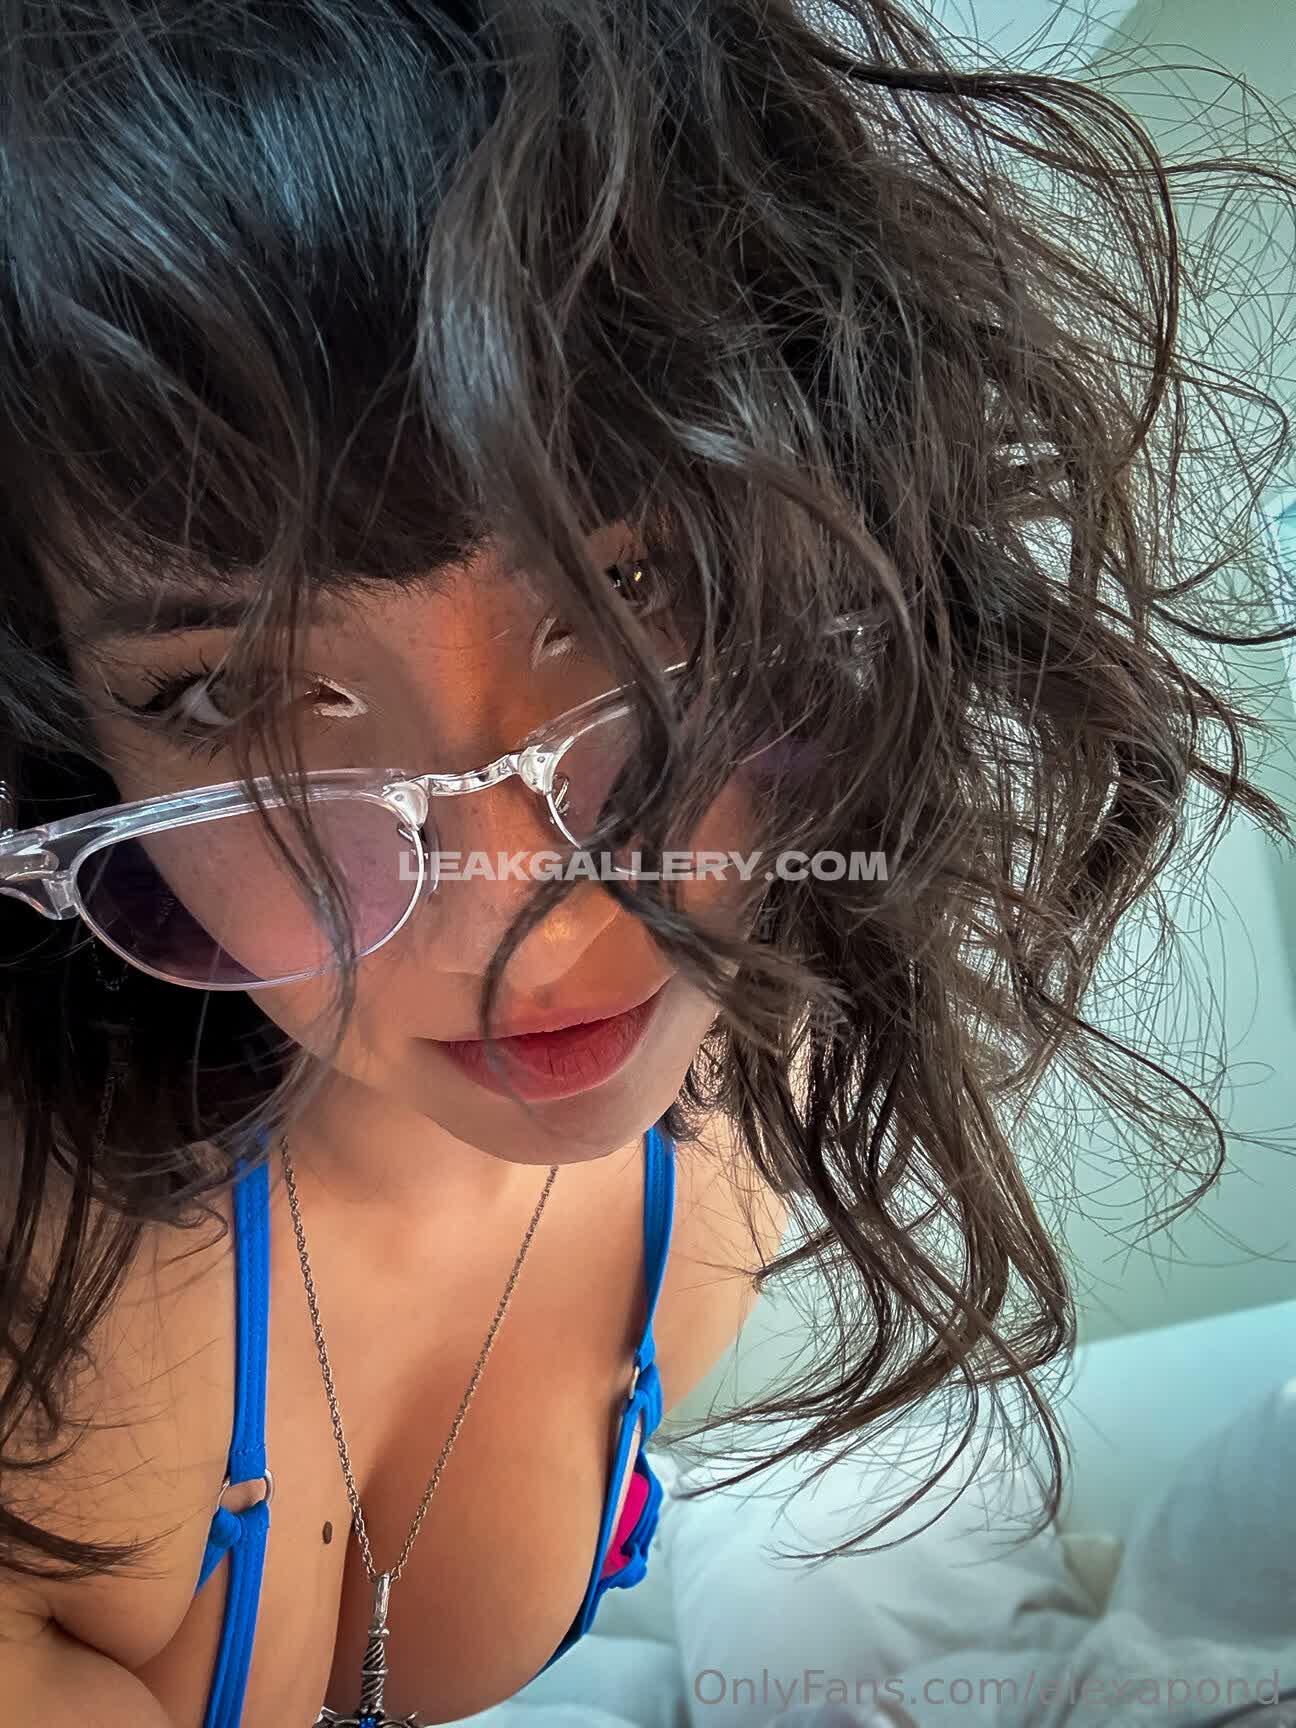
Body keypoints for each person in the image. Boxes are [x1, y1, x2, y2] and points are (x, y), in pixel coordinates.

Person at [0, 2, 1291, 1724]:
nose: (525, 934)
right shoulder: (39, 1312)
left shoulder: (737, 1141)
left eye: (642, 590)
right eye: (234, 690)